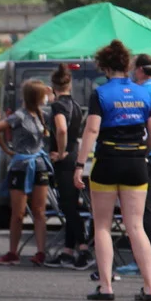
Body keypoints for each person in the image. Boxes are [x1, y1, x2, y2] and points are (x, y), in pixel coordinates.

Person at [74, 40, 151, 301]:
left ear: (104, 66)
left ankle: (106, 286)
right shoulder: (144, 93)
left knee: (102, 226)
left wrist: (80, 164)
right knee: (136, 226)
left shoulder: (100, 93)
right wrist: (142, 153)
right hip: (136, 162)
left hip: (108, 160)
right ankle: (150, 288)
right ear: (127, 64)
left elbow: (92, 129)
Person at [112, 54, 151, 275]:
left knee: (144, 209)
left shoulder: (146, 91)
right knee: (146, 208)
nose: (132, 72)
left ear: (141, 70)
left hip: (149, 153)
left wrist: (142, 152)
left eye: (134, 68)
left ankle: (145, 260)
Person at [0, 80, 52, 266]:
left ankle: (41, 252)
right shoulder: (19, 116)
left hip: (39, 165)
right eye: (43, 95)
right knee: (18, 213)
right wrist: (7, 150)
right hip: (21, 166)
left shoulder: (42, 115)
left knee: (39, 211)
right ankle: (13, 252)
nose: (45, 98)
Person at [43, 64, 93, 270]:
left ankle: (83, 248)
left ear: (53, 86)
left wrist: (61, 151)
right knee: (72, 204)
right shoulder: (75, 105)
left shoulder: (58, 107)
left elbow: (61, 129)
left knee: (68, 206)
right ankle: (68, 250)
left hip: (64, 159)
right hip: (75, 155)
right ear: (70, 85)